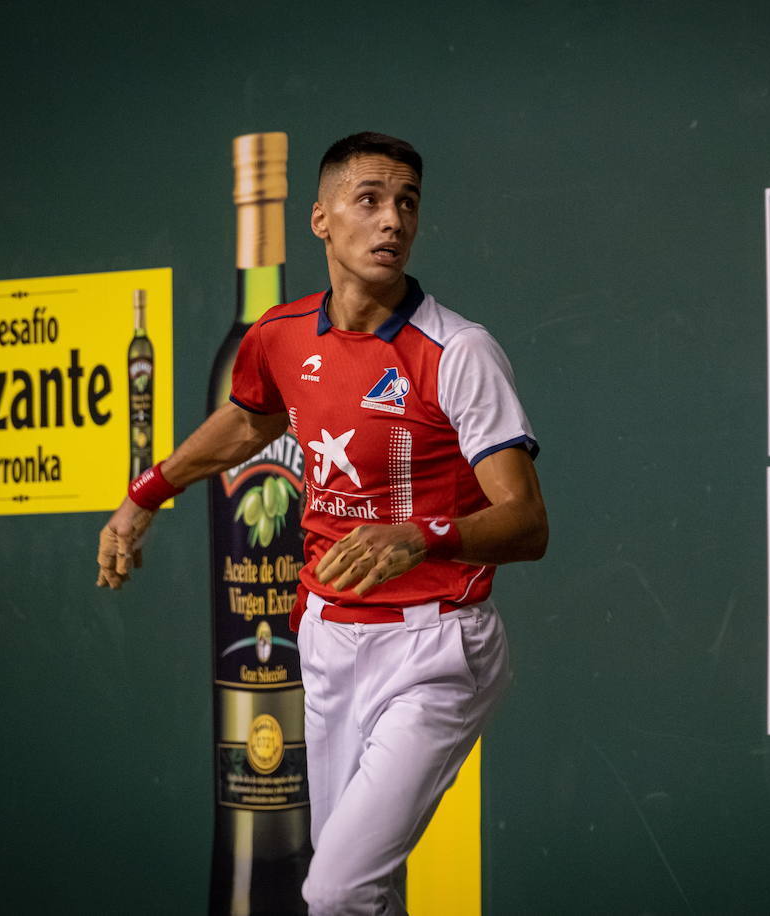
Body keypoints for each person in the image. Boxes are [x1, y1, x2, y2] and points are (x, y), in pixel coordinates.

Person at [95, 131, 547, 915]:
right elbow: (247, 425)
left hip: (436, 647)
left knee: (337, 890)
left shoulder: (457, 352)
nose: (392, 221)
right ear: (320, 220)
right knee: (359, 897)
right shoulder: (281, 335)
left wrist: (420, 535)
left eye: (407, 203)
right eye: (369, 200)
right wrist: (144, 496)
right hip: (330, 643)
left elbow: (527, 522)